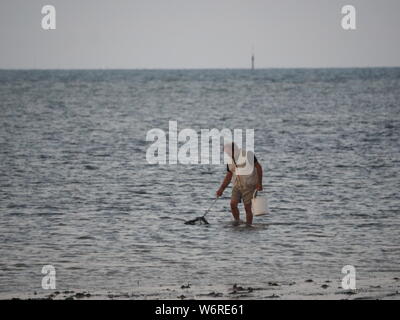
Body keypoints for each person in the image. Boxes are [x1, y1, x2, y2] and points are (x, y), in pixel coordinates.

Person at [216, 142, 263, 225]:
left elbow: (258, 167)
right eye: (226, 153)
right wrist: (221, 189)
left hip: (250, 185)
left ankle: (248, 225)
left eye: (228, 152)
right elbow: (229, 175)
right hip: (237, 185)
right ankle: (237, 222)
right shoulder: (230, 160)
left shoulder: (248, 155)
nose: (228, 154)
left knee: (247, 207)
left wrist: (259, 183)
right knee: (233, 204)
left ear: (235, 149)